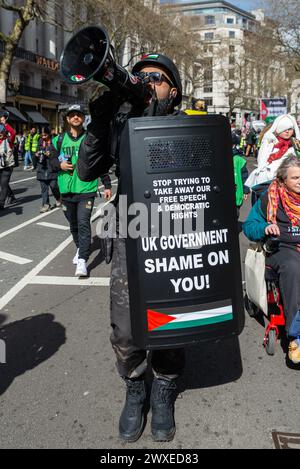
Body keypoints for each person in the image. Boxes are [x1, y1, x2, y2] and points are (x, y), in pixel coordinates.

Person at [77, 53, 186, 443]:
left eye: (155, 78)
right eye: (138, 77)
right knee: (125, 324)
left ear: (173, 91)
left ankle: (165, 385)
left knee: (171, 319)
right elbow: (86, 171)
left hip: (175, 230)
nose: (144, 83)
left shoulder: (185, 125)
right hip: (128, 225)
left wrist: (154, 118)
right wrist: (101, 121)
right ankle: (136, 384)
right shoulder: (120, 123)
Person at [243, 156, 300, 364]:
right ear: (283, 179)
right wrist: (265, 228)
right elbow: (249, 227)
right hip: (281, 248)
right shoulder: (271, 197)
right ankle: (297, 336)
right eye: (295, 177)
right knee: (294, 268)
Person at [50, 104, 112, 277]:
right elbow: (51, 163)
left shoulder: (90, 139)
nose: (76, 117)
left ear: (84, 119)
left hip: (86, 188)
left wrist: (106, 184)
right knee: (73, 224)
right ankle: (80, 249)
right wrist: (59, 164)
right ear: (68, 119)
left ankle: (83, 260)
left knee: (84, 222)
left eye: (79, 115)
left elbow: (99, 163)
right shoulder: (58, 140)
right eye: (72, 115)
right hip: (66, 189)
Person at [245, 114, 300, 190]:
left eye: (290, 129)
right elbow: (261, 160)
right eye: (283, 129)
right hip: (265, 180)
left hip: (285, 182)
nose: (287, 131)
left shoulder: (295, 145)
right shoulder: (270, 142)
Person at [36, 127, 61, 213]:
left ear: (49, 134)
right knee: (44, 189)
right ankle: (46, 204)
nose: (43, 137)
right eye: (42, 135)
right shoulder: (39, 142)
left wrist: (51, 154)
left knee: (54, 186)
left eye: (45, 135)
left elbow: (58, 154)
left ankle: (58, 198)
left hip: (51, 168)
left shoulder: (54, 141)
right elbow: (36, 152)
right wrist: (37, 154)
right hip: (42, 167)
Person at [0, 124, 15, 210]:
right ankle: (11, 195)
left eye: (1, 132)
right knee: (2, 183)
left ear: (5, 133)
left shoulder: (9, 140)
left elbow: (13, 133)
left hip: (7, 166)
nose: (0, 134)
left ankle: (1, 203)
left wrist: (5, 123)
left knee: (4, 184)